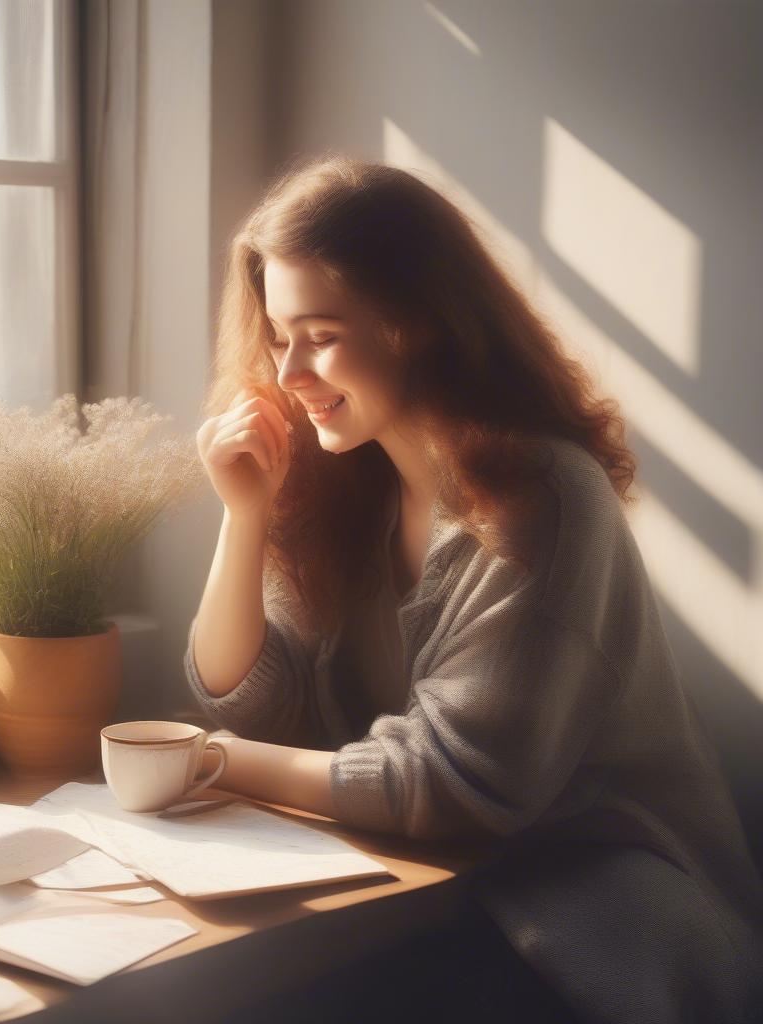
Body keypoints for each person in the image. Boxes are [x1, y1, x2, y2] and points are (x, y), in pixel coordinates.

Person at [182, 154, 763, 1023]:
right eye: (278, 336)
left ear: (417, 321)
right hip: (435, 894)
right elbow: (258, 704)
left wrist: (205, 764)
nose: (290, 372)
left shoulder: (547, 501)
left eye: (322, 333)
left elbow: (455, 789)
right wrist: (244, 514)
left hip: (603, 927)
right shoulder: (348, 489)